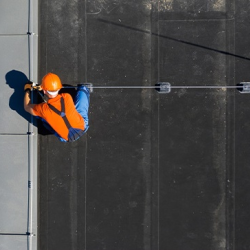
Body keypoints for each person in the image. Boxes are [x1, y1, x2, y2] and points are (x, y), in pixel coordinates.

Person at [24, 72, 90, 142]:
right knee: (82, 92)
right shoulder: (67, 96)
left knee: (41, 116)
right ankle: (84, 89)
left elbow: (27, 106)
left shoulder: (43, 109)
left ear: (44, 91)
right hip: (82, 126)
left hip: (66, 138)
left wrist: (27, 90)